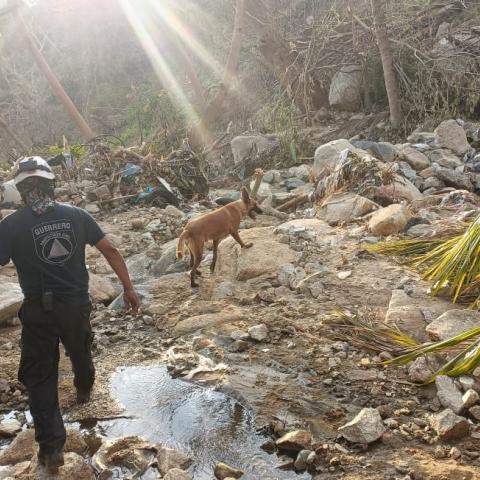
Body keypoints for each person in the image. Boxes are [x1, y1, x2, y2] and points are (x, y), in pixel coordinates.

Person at [0, 157, 140, 472]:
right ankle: (84, 388)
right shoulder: (77, 216)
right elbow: (111, 250)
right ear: (52, 184)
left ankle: (51, 450)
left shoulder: (10, 225)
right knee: (80, 351)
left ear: (21, 190)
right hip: (76, 306)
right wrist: (129, 289)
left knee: (40, 376)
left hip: (37, 310)